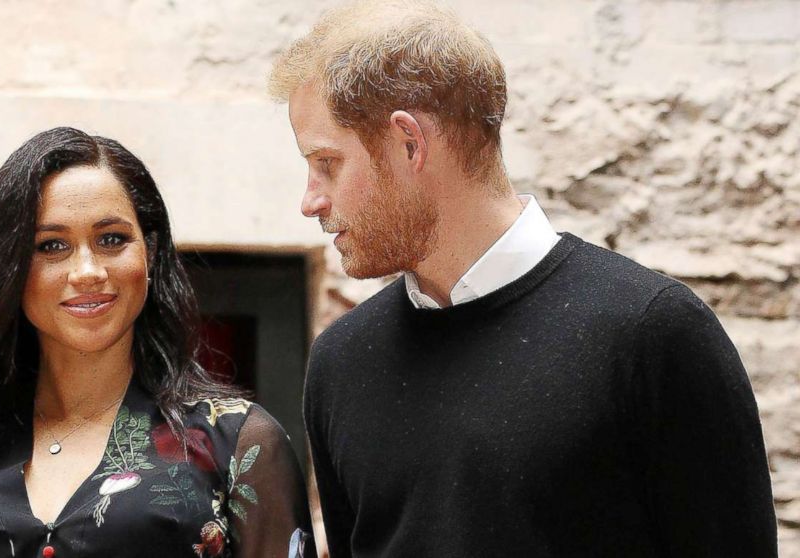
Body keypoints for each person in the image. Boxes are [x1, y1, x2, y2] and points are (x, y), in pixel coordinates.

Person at [269, 1, 778, 556]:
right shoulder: (342, 361)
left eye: (326, 162)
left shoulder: (652, 334)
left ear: (409, 143)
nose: (310, 200)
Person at [0, 127, 315, 558]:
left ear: (150, 252)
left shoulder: (237, 443)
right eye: (51, 245)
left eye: (112, 239)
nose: (87, 271)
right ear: (9, 268)